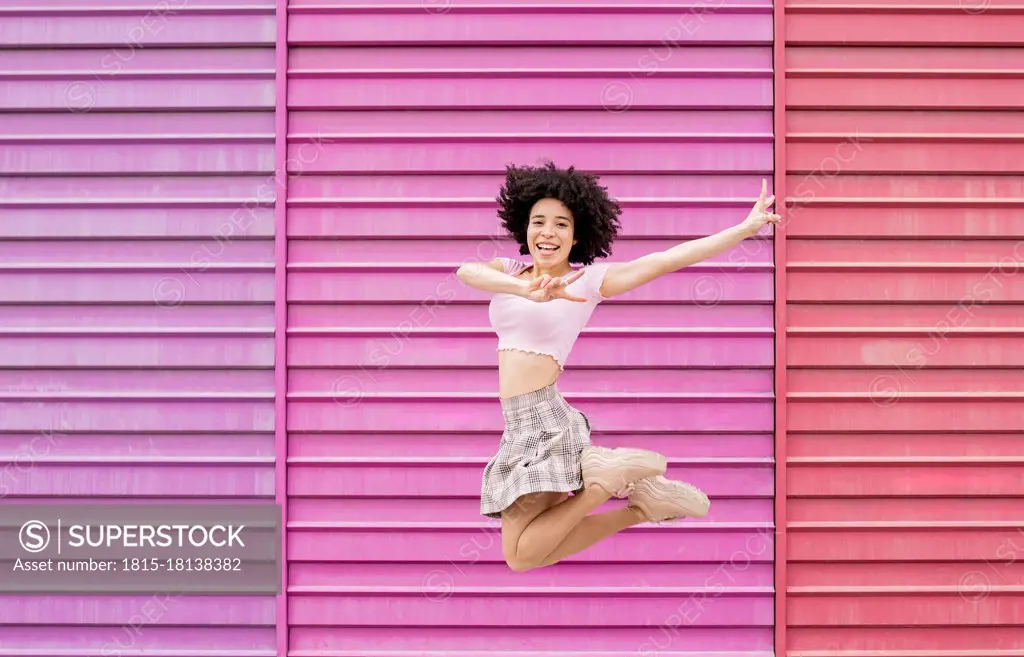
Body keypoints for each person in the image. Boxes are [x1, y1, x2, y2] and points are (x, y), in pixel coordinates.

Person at [455, 161, 780, 572]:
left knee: (520, 556)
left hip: (545, 420)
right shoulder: (509, 273)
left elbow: (665, 260)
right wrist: (528, 290)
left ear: (576, 236)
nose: (548, 233)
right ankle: (642, 508)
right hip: (518, 423)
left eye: (561, 224)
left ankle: (604, 482)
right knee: (527, 554)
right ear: (524, 227)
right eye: (539, 222)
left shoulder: (586, 282)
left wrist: (743, 230)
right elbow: (466, 271)